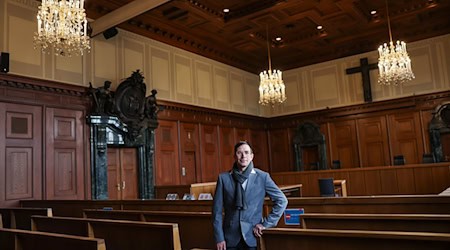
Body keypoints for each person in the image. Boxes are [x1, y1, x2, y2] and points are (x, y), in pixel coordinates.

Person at [212, 141, 288, 250]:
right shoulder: (224, 178)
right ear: (234, 156)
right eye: (239, 153)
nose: (243, 156)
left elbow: (282, 201)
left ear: (252, 156)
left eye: (247, 153)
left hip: (253, 236)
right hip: (229, 239)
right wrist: (219, 238)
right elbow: (217, 212)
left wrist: (266, 224)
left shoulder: (263, 177)